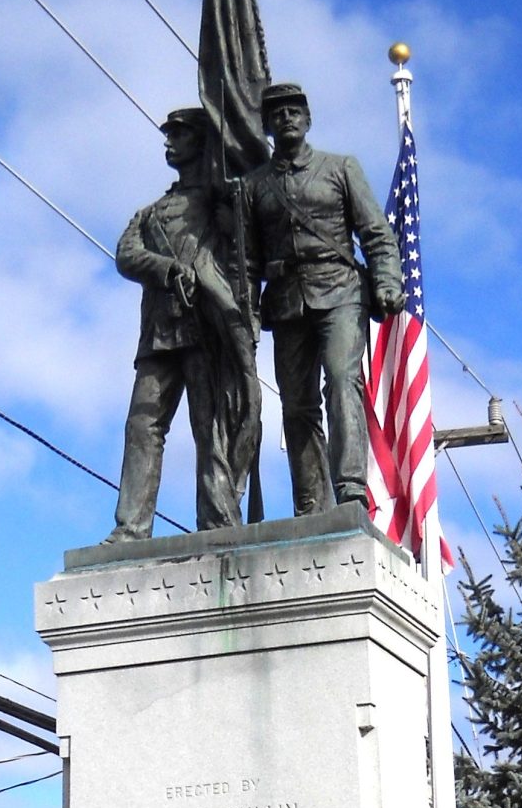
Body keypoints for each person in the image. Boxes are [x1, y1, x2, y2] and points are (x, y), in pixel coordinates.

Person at [243, 82, 404, 512]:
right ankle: (311, 500)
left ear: (308, 119)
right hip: (287, 302)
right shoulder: (254, 186)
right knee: (296, 404)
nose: (287, 118)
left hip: (341, 291)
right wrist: (245, 311)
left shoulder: (340, 167)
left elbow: (375, 232)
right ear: (267, 125)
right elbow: (248, 260)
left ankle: (350, 486)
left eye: (294, 111)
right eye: (277, 114)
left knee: (341, 381)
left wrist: (387, 280)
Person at [106, 107, 259, 541]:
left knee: (209, 426)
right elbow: (126, 255)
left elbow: (243, 252)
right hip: (159, 332)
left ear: (202, 141)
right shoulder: (150, 213)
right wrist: (168, 268)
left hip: (204, 328)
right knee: (142, 424)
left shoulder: (219, 203)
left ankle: (217, 520)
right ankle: (131, 528)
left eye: (179, 135)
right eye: (168, 135)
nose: (169, 142)